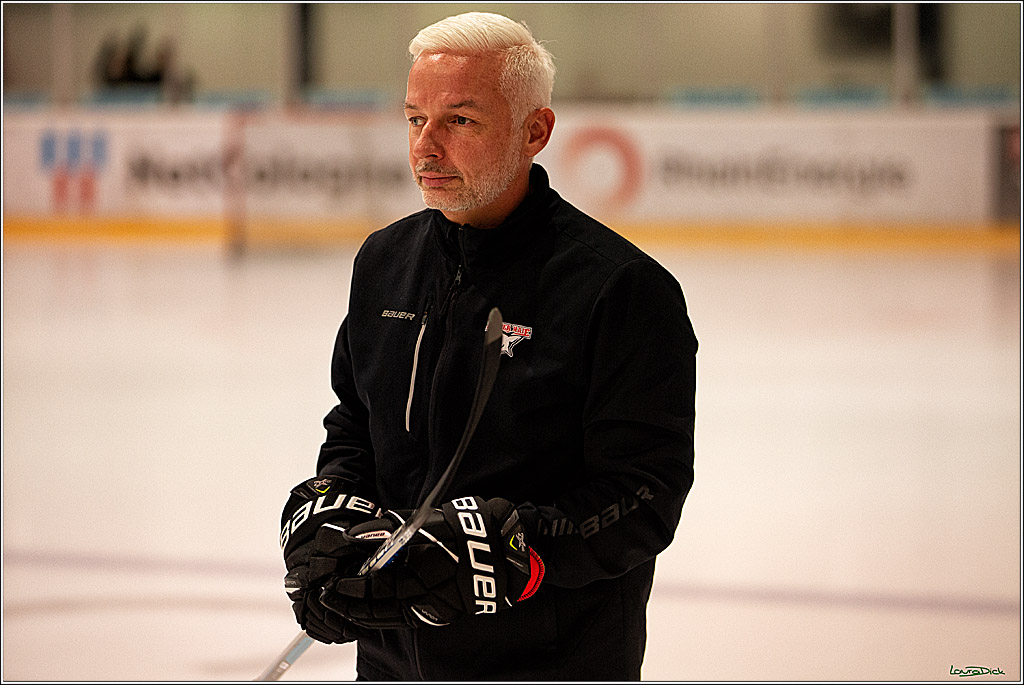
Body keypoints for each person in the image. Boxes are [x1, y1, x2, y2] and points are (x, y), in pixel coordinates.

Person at [279, 11, 698, 681]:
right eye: (416, 119)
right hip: (392, 661)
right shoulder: (383, 262)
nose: (425, 148)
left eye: (460, 121)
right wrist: (327, 512)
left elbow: (645, 495)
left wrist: (513, 551)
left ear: (536, 131)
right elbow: (355, 425)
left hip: (549, 661)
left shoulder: (620, 290)